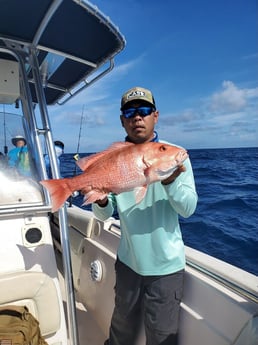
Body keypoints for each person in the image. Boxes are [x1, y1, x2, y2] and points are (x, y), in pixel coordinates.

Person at [92, 86, 198, 345]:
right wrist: (102, 198)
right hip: (128, 263)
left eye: (144, 110)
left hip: (166, 269)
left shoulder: (175, 154)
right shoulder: (113, 159)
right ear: (122, 120)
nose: (137, 117)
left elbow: (188, 208)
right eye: (130, 111)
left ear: (155, 116)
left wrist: (170, 182)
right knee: (120, 331)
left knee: (162, 338)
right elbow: (102, 214)